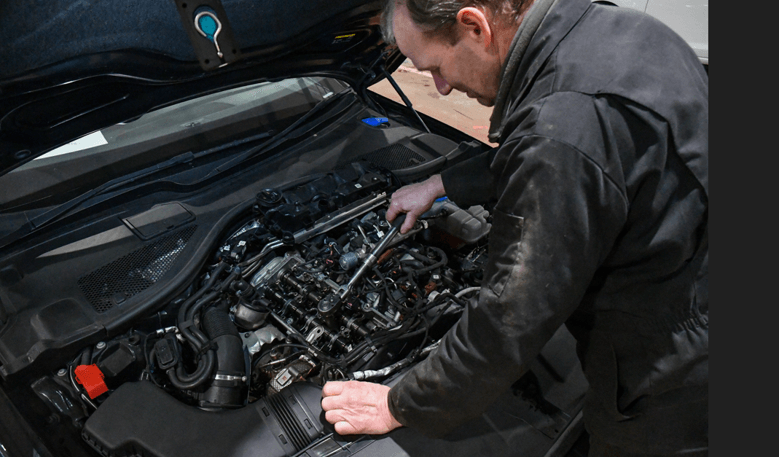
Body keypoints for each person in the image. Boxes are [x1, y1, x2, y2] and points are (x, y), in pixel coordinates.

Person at [321, 0, 709, 455]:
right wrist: (444, 182)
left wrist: (401, 405)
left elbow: (509, 321)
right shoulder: (618, 28)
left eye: (435, 68)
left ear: (474, 26)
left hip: (671, 377)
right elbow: (586, 146)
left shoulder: (563, 128)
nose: (441, 89)